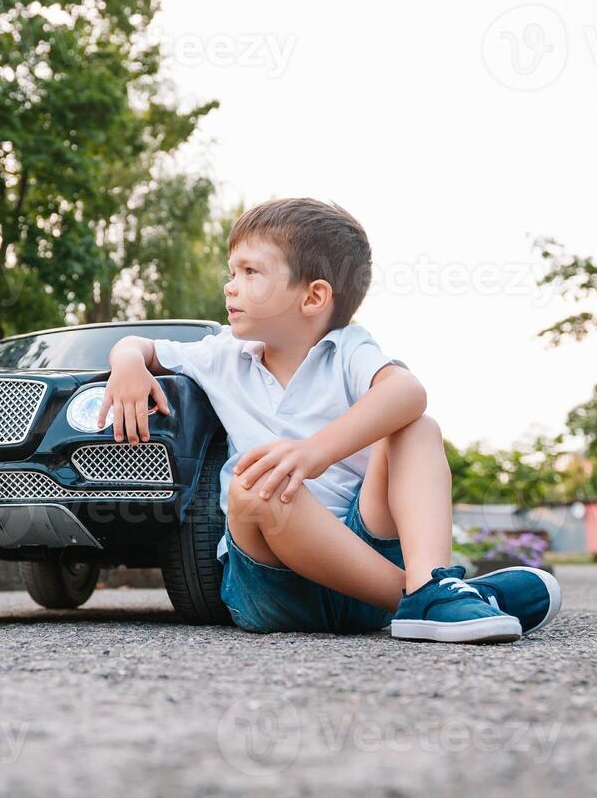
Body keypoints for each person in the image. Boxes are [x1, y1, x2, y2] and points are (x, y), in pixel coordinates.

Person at [100, 197, 561, 642]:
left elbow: (409, 392)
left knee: (418, 428)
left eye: (250, 272)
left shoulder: (348, 349)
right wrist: (126, 365)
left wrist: (315, 451)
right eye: (231, 272)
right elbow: (140, 344)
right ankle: (430, 595)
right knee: (254, 483)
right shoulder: (222, 354)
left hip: (364, 548)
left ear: (314, 296)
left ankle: (429, 583)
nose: (230, 285)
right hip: (270, 585)